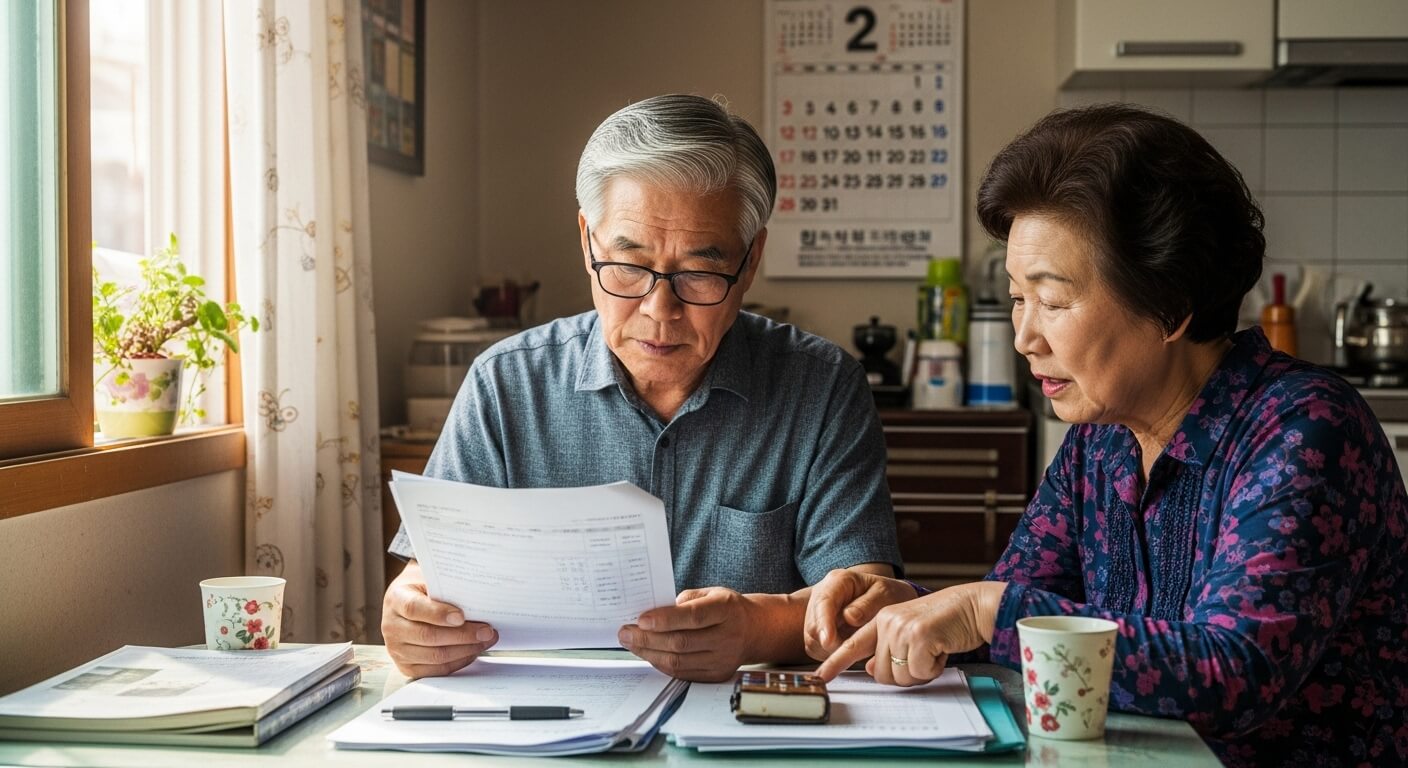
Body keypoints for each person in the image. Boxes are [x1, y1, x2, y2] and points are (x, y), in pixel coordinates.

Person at [806, 104, 1408, 767]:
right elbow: (1012, 610)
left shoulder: (1303, 429)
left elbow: (1236, 673)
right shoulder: (1104, 437)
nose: (1024, 337)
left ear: (1170, 305)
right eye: (1017, 298)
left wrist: (981, 611)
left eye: (1052, 302)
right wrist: (913, 606)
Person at [381, 94, 901, 683]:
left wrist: (757, 628)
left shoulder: (822, 388)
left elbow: (866, 602)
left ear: (750, 259)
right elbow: (430, 578)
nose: (660, 309)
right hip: (548, 711)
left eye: (699, 273)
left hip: (745, 712)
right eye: (629, 267)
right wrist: (414, 614)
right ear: (588, 242)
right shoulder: (506, 384)